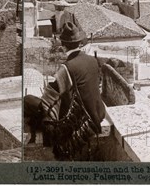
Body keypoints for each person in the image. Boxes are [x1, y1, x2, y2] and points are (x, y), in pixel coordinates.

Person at [24, 22, 105, 160]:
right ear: (79, 43)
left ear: (63, 46)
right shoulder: (93, 60)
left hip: (82, 119)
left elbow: (48, 99)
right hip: (99, 112)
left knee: (28, 101)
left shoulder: (67, 67)